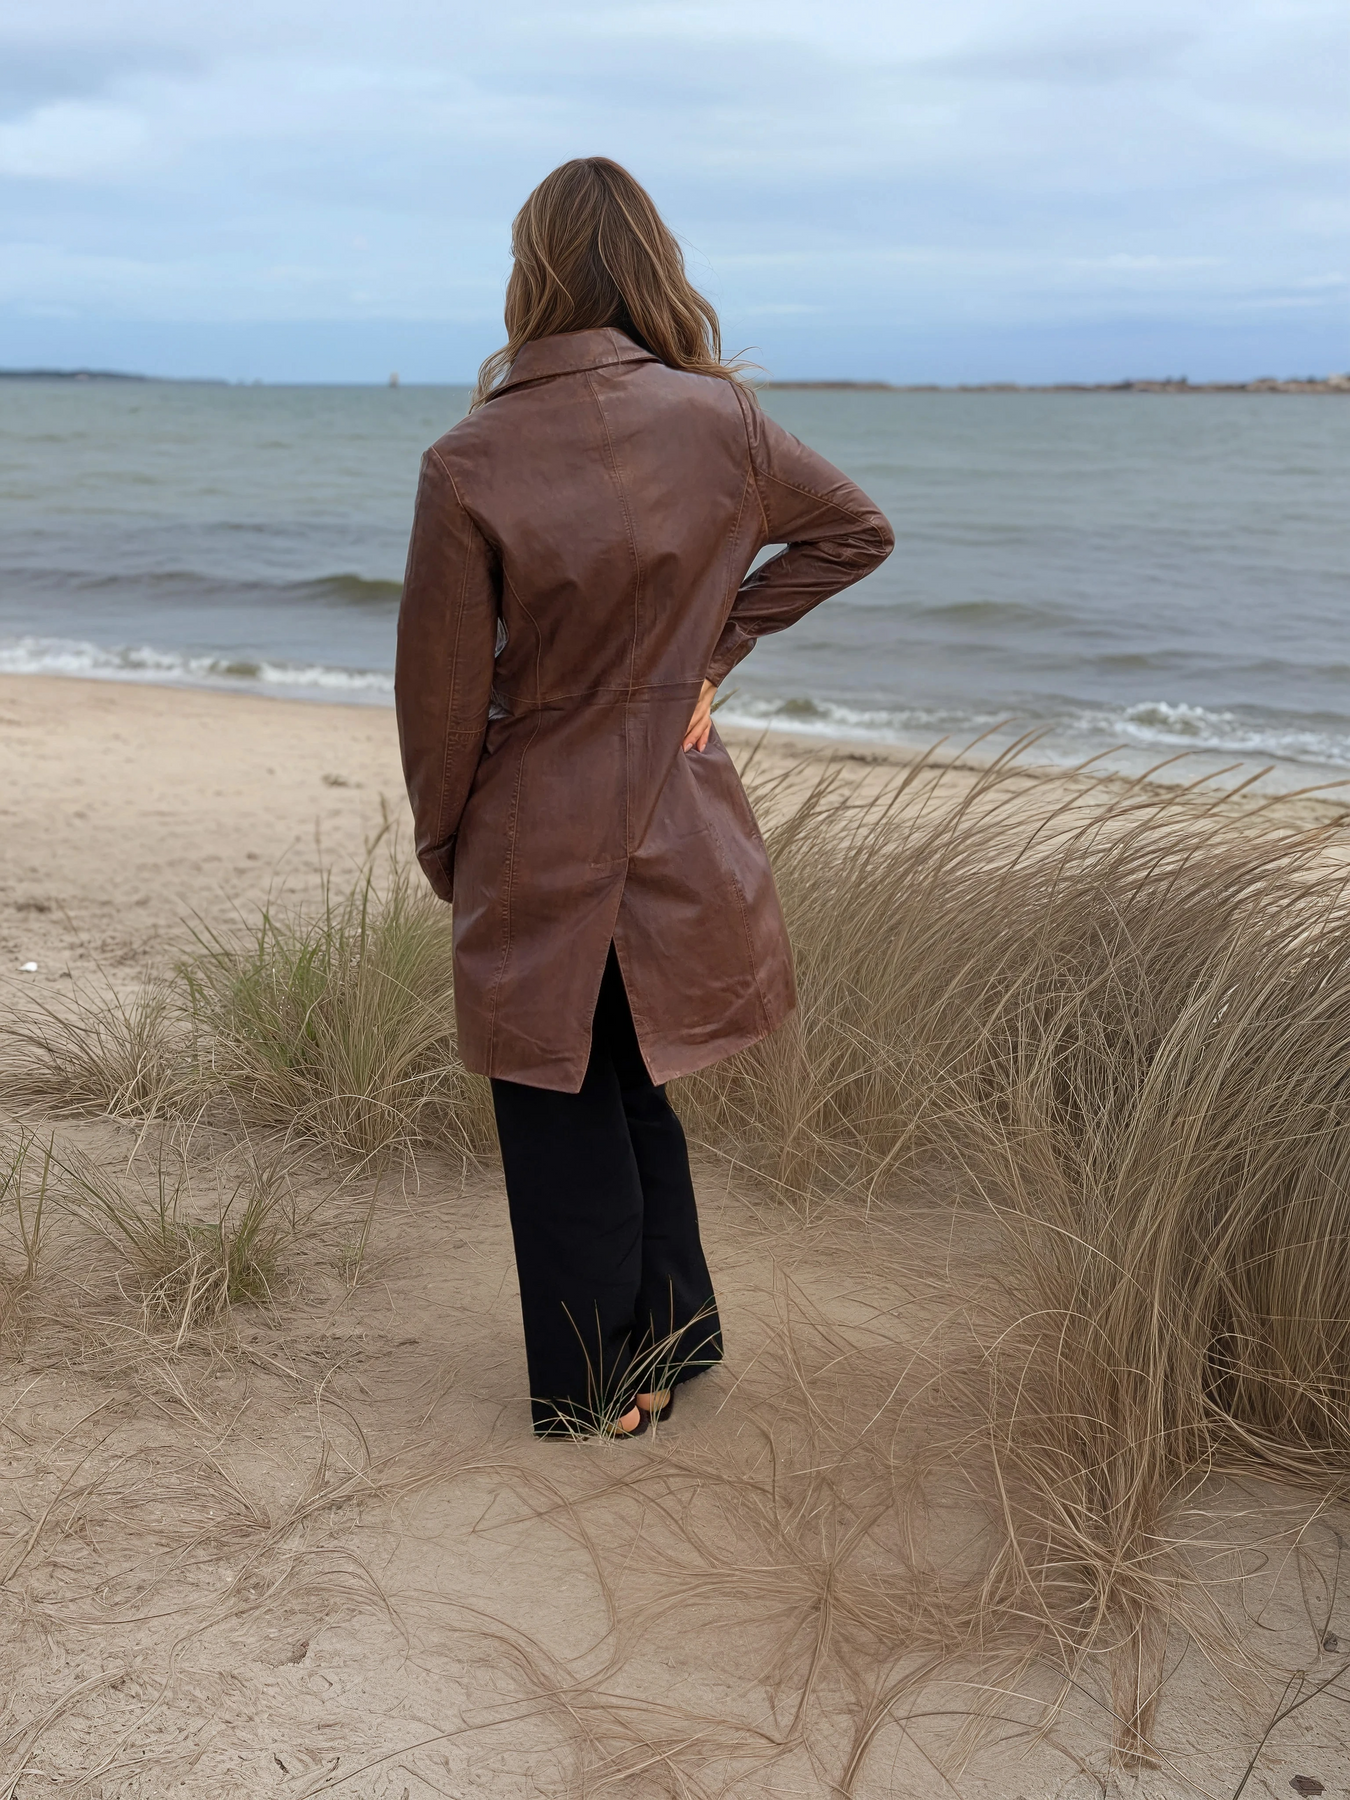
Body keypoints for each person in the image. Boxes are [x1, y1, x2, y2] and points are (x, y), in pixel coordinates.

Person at [395, 156, 893, 1438]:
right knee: (625, 1078)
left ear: (532, 275)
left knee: (555, 1094)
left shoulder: (469, 458)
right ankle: (673, 1340)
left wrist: (445, 840)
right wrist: (707, 656)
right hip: (676, 808)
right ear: (650, 267)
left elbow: (441, 694)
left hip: (536, 817)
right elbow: (854, 531)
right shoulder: (719, 420)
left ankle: (602, 1382)